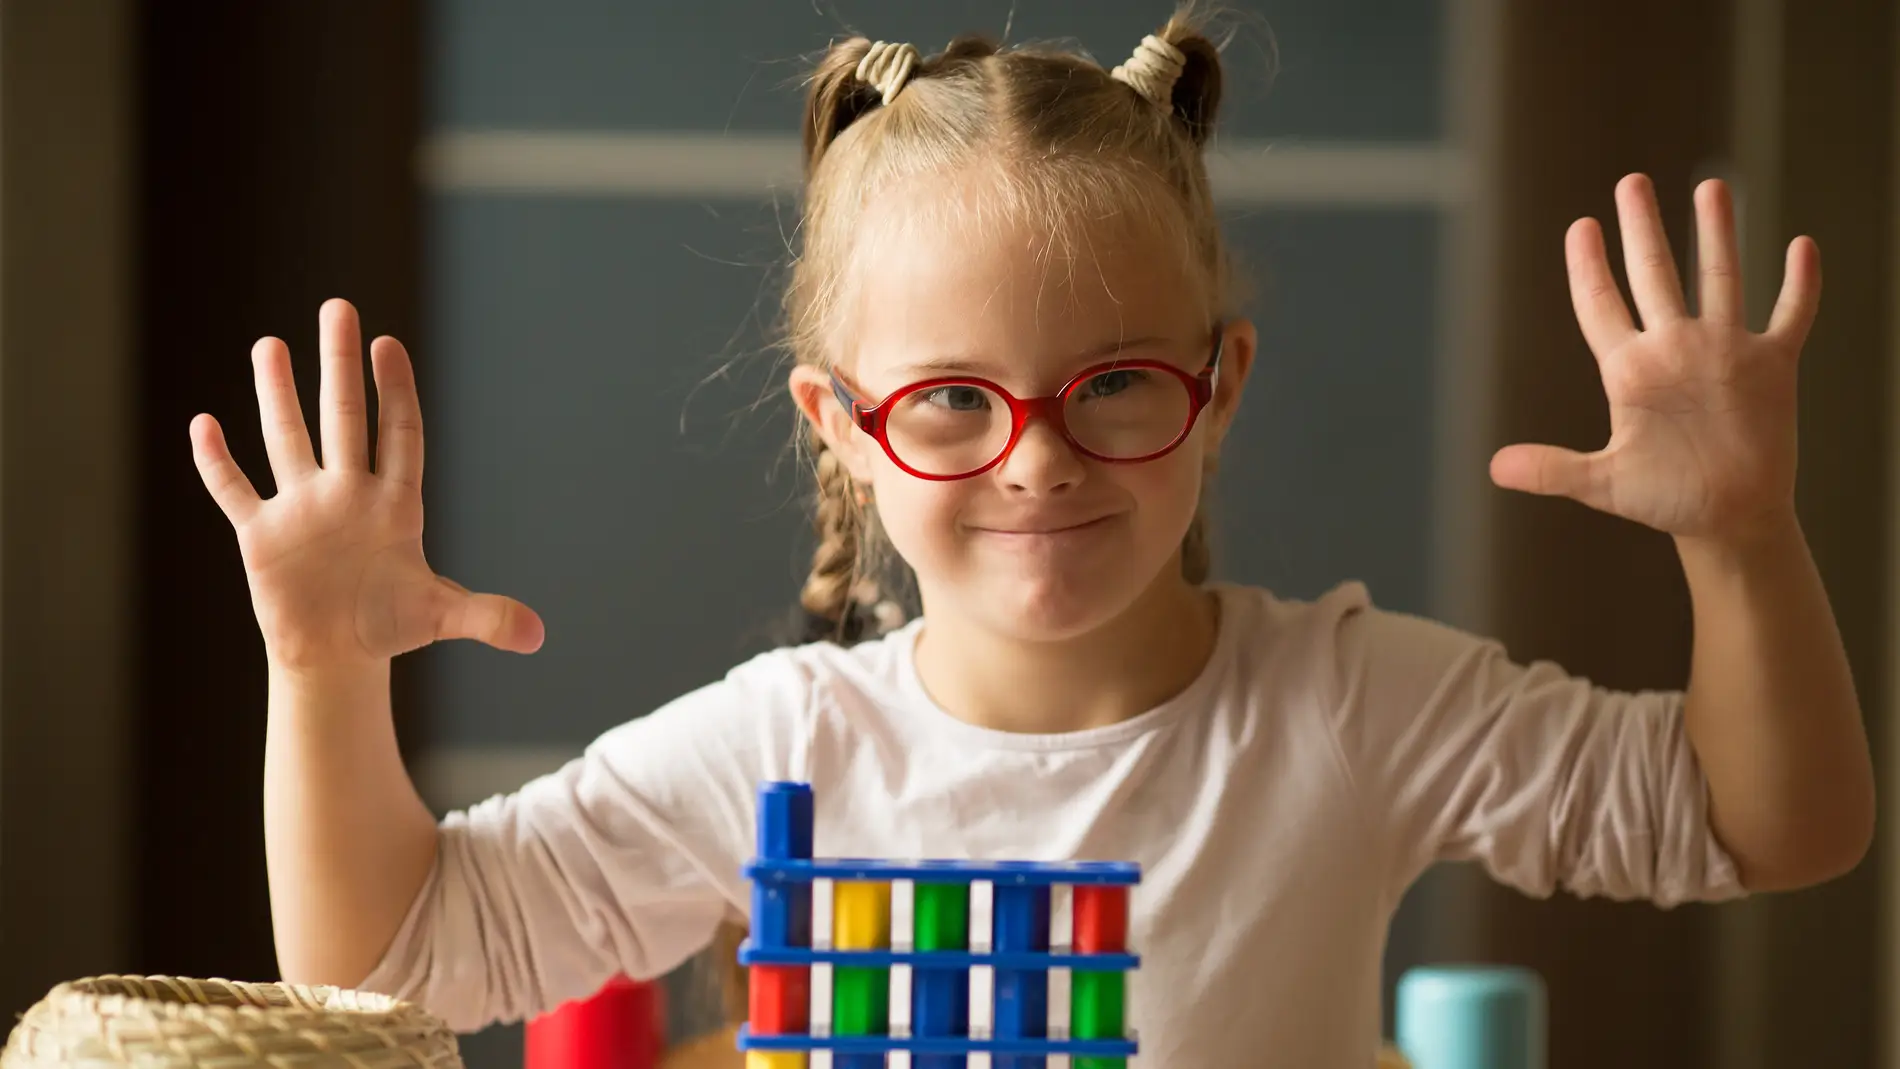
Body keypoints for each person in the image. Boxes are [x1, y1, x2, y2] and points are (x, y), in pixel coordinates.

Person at [188, 7, 1873, 1065]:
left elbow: (1767, 825)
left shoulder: (1355, 709)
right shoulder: (780, 746)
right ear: (843, 433)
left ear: (1219, 391)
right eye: (950, 403)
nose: (1036, 462)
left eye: (1114, 385)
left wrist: (1740, 535)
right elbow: (384, 965)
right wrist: (323, 669)